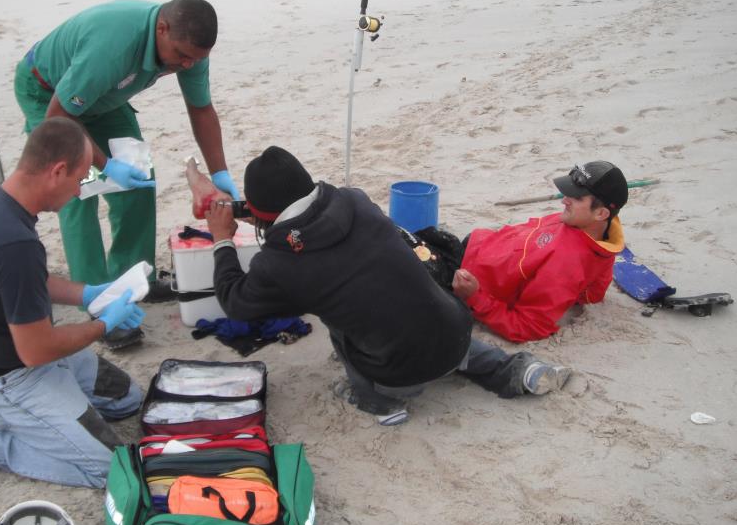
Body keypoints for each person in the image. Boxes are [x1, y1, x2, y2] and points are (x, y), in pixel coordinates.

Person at [205, 146, 570, 426]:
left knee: (340, 320)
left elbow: (236, 303)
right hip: (455, 333)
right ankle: (516, 372)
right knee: (418, 311)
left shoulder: (280, 261)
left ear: (262, 215)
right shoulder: (354, 200)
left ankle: (379, 402)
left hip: (398, 373)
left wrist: (222, 239)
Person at [14, 0, 240, 346]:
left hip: (104, 99)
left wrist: (220, 172)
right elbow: (61, 113)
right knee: (79, 190)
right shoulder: (112, 48)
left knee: (139, 181)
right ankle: (98, 300)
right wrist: (105, 165)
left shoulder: (190, 50)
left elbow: (201, 109)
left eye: (196, 59)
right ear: (161, 29)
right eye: (182, 56)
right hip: (50, 94)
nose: (187, 64)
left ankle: (133, 281)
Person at [0, 117, 148, 488]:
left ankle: (59, 412)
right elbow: (36, 351)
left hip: (19, 351)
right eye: (81, 178)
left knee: (126, 400)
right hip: (7, 379)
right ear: (57, 171)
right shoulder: (14, 243)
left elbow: (23, 282)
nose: (79, 190)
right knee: (114, 470)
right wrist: (103, 324)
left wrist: (88, 293)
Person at [450, 161, 627, 343]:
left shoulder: (567, 263)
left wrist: (475, 297)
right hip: (478, 245)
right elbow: (593, 293)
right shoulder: (588, 225)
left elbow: (528, 326)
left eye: (577, 197)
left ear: (601, 214)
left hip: (463, 275)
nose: (564, 200)